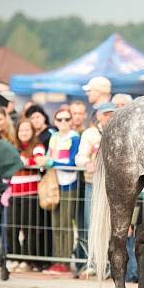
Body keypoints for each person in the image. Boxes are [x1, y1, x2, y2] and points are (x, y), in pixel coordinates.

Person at [36, 108, 80, 273]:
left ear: (71, 121)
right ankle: (57, 259)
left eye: (66, 119)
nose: (63, 122)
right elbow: (49, 156)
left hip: (69, 183)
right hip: (54, 183)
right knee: (56, 224)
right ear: (55, 121)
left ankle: (65, 261)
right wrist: (46, 162)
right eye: (59, 119)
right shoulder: (54, 137)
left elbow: (72, 162)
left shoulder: (75, 137)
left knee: (65, 223)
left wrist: (52, 163)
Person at [76, 101, 117, 272]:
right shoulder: (90, 134)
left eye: (111, 113)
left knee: (113, 225)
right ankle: (91, 262)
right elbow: (79, 157)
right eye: (106, 113)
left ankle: (110, 264)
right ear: (98, 115)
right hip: (93, 184)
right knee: (90, 222)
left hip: (114, 186)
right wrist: (87, 163)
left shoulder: (119, 130)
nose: (109, 117)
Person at [7, 119, 47, 272]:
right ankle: (15, 257)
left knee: (29, 229)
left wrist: (24, 161)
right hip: (15, 193)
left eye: (27, 130)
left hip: (31, 193)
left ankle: (28, 260)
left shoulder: (37, 146)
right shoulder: (12, 147)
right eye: (21, 130)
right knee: (12, 228)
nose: (24, 133)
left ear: (32, 132)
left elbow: (38, 160)